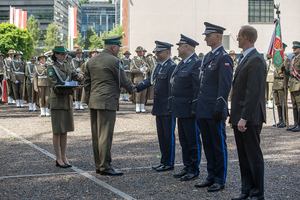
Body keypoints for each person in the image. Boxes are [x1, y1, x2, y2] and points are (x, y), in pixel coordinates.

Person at [84, 35, 135, 176]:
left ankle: (98, 165)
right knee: (105, 136)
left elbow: (86, 83)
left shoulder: (91, 61)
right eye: (118, 47)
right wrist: (133, 89)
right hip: (107, 101)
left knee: (96, 136)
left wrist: (89, 99)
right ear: (113, 47)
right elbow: (123, 79)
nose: (119, 50)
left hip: (94, 102)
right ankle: (105, 166)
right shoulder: (114, 61)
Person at [195, 22, 233, 192]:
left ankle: (220, 178)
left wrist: (220, 107)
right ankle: (211, 176)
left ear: (218, 37)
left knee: (218, 145)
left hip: (214, 109)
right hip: (204, 108)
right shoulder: (208, 56)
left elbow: (224, 86)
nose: (205, 38)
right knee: (208, 144)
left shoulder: (223, 57)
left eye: (208, 35)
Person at [229, 25, 266, 200]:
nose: (236, 39)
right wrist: (234, 117)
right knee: (243, 156)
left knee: (253, 155)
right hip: (240, 117)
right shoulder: (245, 58)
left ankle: (257, 193)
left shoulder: (256, 59)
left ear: (245, 37)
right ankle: (246, 190)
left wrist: (244, 117)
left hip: (250, 117)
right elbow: (238, 92)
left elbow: (253, 93)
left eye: (238, 36)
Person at [136, 41, 176, 172]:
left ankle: (169, 162)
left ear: (167, 53)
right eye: (156, 51)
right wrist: (136, 87)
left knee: (168, 136)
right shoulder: (158, 67)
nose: (156, 54)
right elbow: (150, 80)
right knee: (161, 135)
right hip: (159, 106)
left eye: (159, 51)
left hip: (167, 107)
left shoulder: (172, 67)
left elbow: (172, 89)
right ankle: (163, 161)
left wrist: (170, 106)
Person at [170, 34, 202, 181]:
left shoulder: (196, 63)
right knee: (184, 140)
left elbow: (197, 88)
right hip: (180, 109)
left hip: (190, 109)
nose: (177, 48)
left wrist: (195, 108)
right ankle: (187, 165)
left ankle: (194, 169)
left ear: (187, 47)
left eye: (180, 46)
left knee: (193, 140)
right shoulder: (182, 63)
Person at [47, 45, 84, 168]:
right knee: (58, 131)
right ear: (55, 55)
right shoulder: (51, 68)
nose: (65, 56)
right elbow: (55, 86)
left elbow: (72, 75)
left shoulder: (66, 64)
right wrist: (72, 88)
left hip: (67, 101)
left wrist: (79, 77)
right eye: (62, 54)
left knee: (65, 130)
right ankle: (58, 158)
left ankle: (64, 156)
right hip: (58, 101)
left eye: (65, 54)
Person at [272, 43, 290, 128]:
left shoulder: (285, 59)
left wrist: (285, 85)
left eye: (280, 49)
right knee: (278, 103)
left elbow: (287, 73)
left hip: (281, 83)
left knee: (283, 103)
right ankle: (280, 119)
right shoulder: (276, 59)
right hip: (275, 82)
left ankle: (284, 120)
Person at [130, 46, 151, 113]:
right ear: (137, 52)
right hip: (137, 79)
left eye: (141, 51)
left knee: (144, 94)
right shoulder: (134, 60)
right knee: (138, 94)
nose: (140, 52)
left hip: (145, 79)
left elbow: (150, 68)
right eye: (139, 51)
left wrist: (147, 69)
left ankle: (142, 107)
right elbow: (131, 70)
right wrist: (140, 70)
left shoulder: (146, 60)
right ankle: (137, 107)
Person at [285, 41, 300, 132]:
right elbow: (292, 73)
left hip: (298, 84)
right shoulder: (293, 59)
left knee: (299, 105)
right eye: (293, 48)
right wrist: (286, 71)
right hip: (293, 85)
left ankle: (299, 124)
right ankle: (295, 124)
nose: (294, 49)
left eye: (296, 48)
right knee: (294, 105)